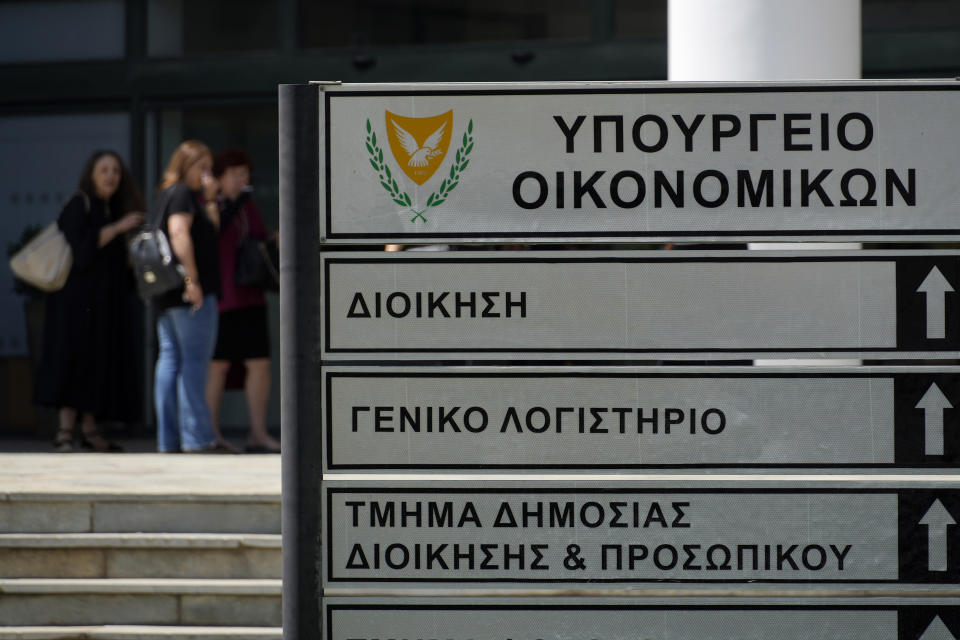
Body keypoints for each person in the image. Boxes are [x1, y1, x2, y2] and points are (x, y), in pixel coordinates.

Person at [35, 150, 146, 452]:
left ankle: (90, 429)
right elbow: (83, 251)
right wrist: (118, 229)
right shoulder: (78, 204)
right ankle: (65, 431)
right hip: (74, 305)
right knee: (73, 361)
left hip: (103, 306)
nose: (111, 176)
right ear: (91, 175)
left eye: (116, 171)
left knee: (98, 364)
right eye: (104, 170)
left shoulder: (112, 209)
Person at [153, 140, 232, 453]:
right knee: (194, 363)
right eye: (202, 166)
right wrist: (192, 279)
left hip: (166, 295)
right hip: (188, 293)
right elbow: (178, 233)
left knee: (171, 359)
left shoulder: (167, 195)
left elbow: (208, 230)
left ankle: (169, 440)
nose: (207, 173)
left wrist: (210, 201)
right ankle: (197, 438)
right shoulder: (183, 195)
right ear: (184, 165)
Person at [205, 148, 280, 453]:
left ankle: (258, 433)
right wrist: (229, 203)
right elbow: (212, 234)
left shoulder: (249, 207)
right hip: (222, 299)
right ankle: (211, 435)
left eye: (245, 174)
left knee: (259, 364)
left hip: (251, 296)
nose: (242, 180)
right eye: (235, 174)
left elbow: (259, 243)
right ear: (219, 178)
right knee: (217, 367)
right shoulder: (211, 205)